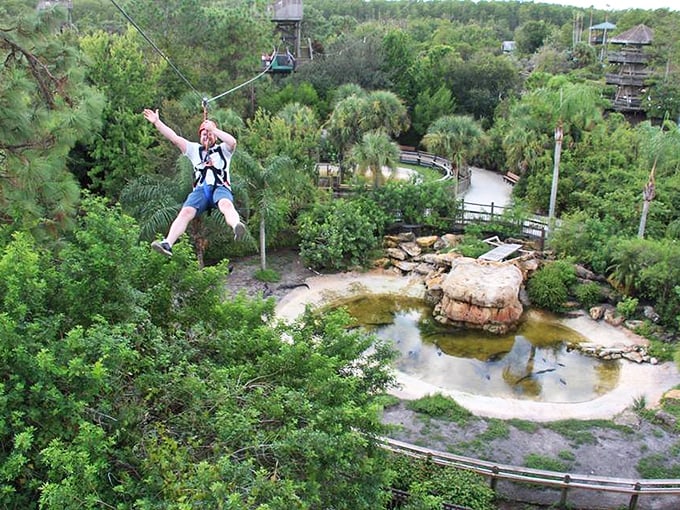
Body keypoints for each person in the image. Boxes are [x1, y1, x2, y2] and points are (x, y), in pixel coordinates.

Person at [143, 108, 247, 257]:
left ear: (215, 137)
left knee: (226, 204)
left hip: (220, 188)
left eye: (209, 134)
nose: (206, 136)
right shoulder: (193, 149)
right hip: (201, 191)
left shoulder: (223, 150)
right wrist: (157, 122)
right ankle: (167, 243)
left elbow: (232, 141)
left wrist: (214, 129)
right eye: (204, 134)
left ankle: (236, 225)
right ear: (199, 137)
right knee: (185, 212)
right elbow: (174, 138)